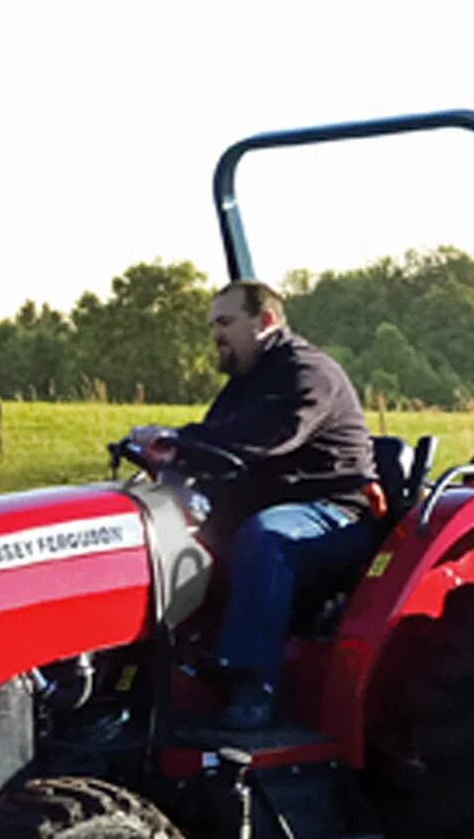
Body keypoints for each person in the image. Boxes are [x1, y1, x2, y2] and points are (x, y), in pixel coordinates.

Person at [129, 279, 380, 731]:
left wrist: (181, 442)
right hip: (265, 505)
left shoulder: (307, 374)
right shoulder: (245, 382)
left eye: (225, 322)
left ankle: (250, 684)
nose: (216, 336)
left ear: (264, 322)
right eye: (211, 326)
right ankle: (154, 672)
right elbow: (215, 440)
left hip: (331, 512)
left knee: (267, 539)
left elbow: (268, 436)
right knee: (158, 537)